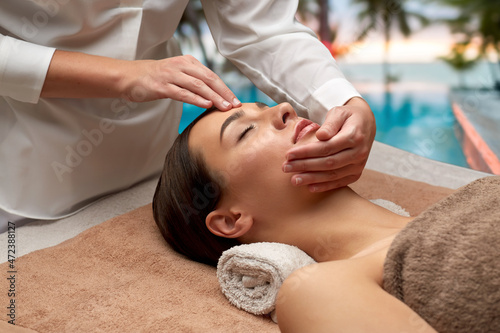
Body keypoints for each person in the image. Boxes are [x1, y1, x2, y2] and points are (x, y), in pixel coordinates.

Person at [0, 0, 375, 231]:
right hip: (19, 160)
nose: (286, 108)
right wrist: (127, 74)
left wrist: (342, 100)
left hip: (148, 162)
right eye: (242, 131)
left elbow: (262, 28)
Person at [152, 102, 500, 332]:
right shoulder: (316, 289)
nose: (284, 108)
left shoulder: (467, 200)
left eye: (265, 106)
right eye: (245, 131)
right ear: (230, 220)